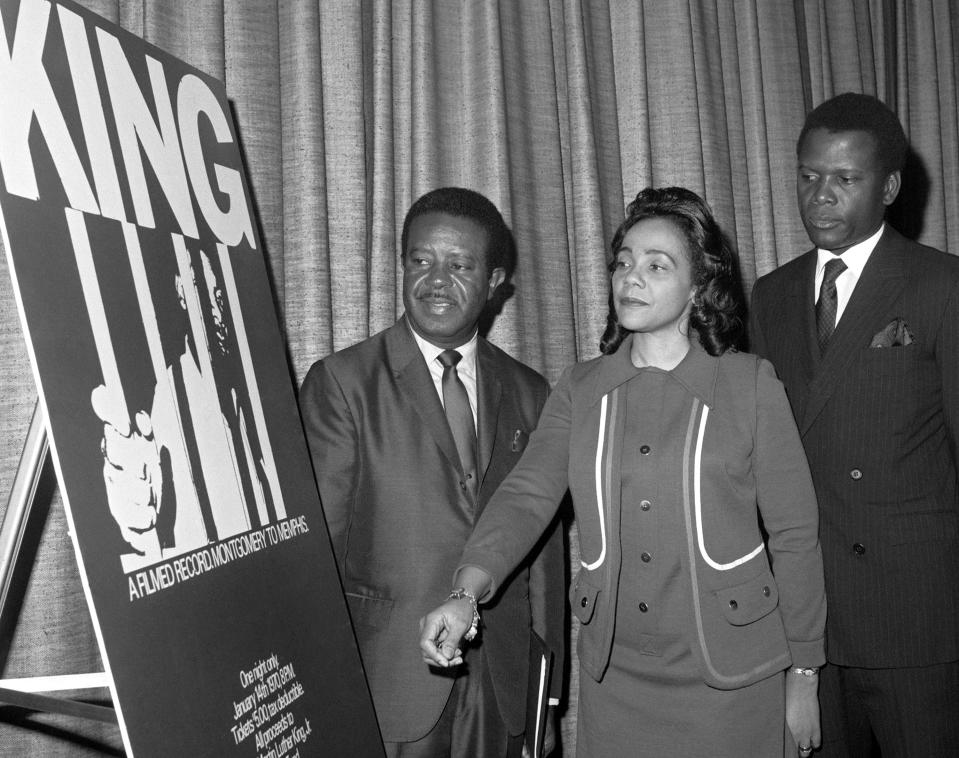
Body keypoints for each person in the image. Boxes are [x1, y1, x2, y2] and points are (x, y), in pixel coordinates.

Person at [422, 186, 826, 757]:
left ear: (698, 286)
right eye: (623, 263)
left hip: (732, 678)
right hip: (617, 681)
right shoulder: (581, 389)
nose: (631, 277)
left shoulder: (750, 385)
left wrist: (805, 674)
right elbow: (527, 496)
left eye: (656, 266)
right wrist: (466, 591)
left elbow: (795, 535)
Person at [299, 187, 565, 757]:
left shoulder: (529, 391)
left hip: (502, 680)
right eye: (421, 261)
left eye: (460, 264)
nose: (437, 280)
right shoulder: (344, 384)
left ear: (496, 281)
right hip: (386, 679)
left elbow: (543, 553)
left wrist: (545, 691)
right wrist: (318, 687)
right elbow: (316, 553)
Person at [749, 92, 959, 756]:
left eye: (844, 178)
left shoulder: (939, 286)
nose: (819, 196)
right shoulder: (771, 295)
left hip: (917, 620)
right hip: (811, 621)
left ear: (889, 186)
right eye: (809, 176)